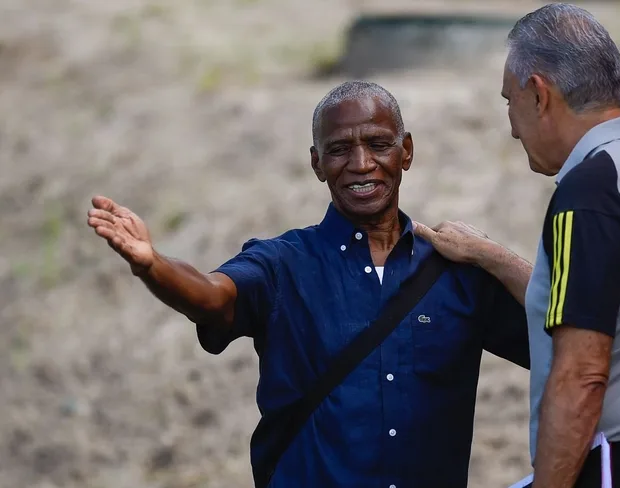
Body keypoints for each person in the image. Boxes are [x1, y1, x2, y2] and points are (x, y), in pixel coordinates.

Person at [86, 80, 533, 488]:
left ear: (407, 152)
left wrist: (496, 257)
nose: (361, 164)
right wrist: (153, 265)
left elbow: (560, 341)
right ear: (317, 163)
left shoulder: (457, 273)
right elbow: (212, 297)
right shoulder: (282, 264)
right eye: (339, 150)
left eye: (379, 144)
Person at [424, 3, 620, 488]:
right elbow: (616, 309)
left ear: (539, 95)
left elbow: (582, 375)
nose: (512, 127)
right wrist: (492, 257)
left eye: (509, 101)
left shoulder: (593, 191)